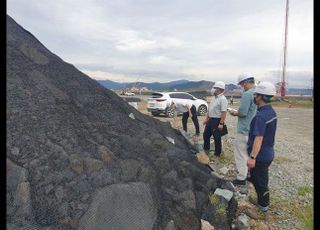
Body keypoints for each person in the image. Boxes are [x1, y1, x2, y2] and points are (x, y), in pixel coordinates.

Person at [244, 81, 277, 220]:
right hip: (268, 153)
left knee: (261, 182)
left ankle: (263, 209)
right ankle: (261, 202)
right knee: (258, 179)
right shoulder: (271, 111)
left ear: (261, 97)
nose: (254, 96)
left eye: (256, 94)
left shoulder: (260, 117)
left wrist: (252, 157)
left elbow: (258, 139)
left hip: (261, 156)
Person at [229, 73, 257, 186]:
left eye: (241, 84)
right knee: (250, 153)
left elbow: (243, 113)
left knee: (241, 154)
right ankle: (251, 174)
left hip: (244, 128)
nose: (241, 87)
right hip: (254, 129)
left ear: (245, 82)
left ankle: (241, 178)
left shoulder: (247, 94)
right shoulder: (257, 93)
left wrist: (234, 113)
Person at [203, 81, 228, 158]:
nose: (213, 89)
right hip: (211, 119)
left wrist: (221, 123)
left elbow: (224, 112)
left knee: (217, 137)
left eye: (215, 88)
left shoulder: (223, 99)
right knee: (206, 135)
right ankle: (206, 149)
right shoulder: (214, 97)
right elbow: (210, 109)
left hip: (217, 120)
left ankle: (217, 153)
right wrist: (207, 119)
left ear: (220, 89)